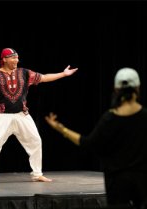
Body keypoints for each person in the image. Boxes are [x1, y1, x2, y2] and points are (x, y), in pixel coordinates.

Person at [0, 48, 78, 183]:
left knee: (36, 141)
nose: (16, 60)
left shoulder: (24, 73)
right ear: (4, 59)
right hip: (3, 116)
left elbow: (44, 77)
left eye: (17, 58)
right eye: (13, 58)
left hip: (22, 115)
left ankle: (37, 174)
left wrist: (63, 74)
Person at [45, 67, 147, 209]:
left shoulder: (110, 119)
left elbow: (88, 143)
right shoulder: (144, 116)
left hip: (117, 186)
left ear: (116, 90)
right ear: (138, 88)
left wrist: (61, 128)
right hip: (142, 184)